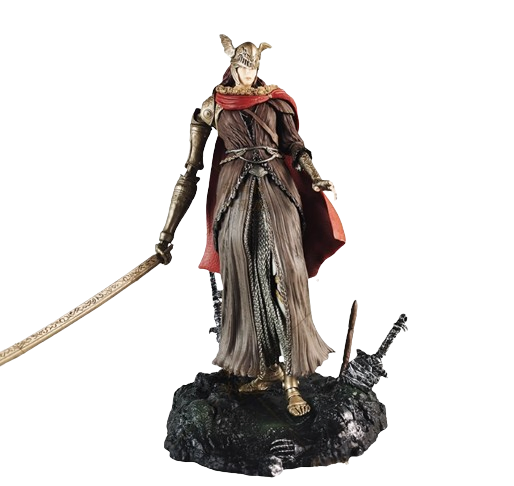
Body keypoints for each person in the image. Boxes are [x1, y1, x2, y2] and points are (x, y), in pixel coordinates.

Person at [155, 35, 345, 416]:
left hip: (278, 193)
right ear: (232, 65)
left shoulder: (276, 103)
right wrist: (167, 233)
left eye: (254, 66)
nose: (248, 72)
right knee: (247, 282)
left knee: (284, 276)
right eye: (243, 65)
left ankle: (292, 383)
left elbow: (295, 147)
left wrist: (313, 174)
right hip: (234, 199)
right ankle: (266, 366)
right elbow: (189, 172)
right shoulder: (211, 107)